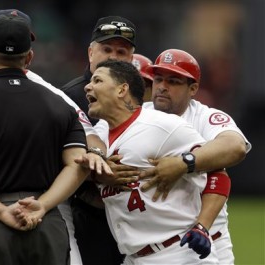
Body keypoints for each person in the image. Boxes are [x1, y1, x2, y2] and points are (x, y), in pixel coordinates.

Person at [0, 12, 111, 265]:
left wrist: (0, 210)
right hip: (45, 214)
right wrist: (43, 205)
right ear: (30, 56)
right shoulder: (58, 101)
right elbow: (80, 161)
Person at [95, 49, 251, 263]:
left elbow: (234, 148)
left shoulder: (204, 117)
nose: (162, 87)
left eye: (174, 81)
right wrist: (100, 167)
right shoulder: (140, 114)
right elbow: (94, 138)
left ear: (193, 88)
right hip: (139, 248)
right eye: (158, 79)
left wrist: (184, 163)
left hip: (206, 238)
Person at [80, 59, 219, 264]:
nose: (88, 86)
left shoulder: (162, 125)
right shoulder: (100, 136)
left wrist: (202, 226)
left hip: (176, 252)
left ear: (122, 90)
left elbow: (218, 172)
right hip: (133, 257)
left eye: (98, 80)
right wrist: (96, 174)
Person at [61, 15, 136, 265]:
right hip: (91, 213)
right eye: (106, 49)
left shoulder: (140, 96)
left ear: (132, 58)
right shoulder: (68, 97)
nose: (113, 56)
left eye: (121, 51)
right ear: (91, 52)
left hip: (135, 213)